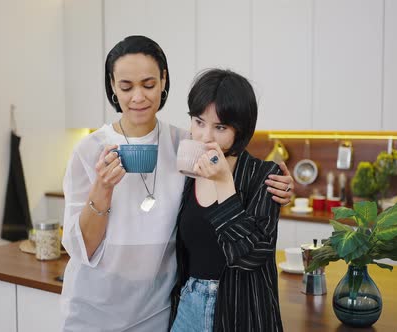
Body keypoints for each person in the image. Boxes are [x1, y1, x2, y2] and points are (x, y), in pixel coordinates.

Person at [60, 36, 292, 332]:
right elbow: (82, 249)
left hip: (157, 312)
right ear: (112, 86)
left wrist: (276, 182)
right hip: (95, 309)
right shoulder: (89, 150)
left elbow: (229, 151)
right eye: (126, 86)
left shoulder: (184, 144)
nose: (138, 97)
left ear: (163, 80)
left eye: (148, 84)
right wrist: (102, 189)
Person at [169, 69, 283, 332]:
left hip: (242, 313)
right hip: (189, 306)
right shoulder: (188, 173)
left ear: (240, 131)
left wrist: (224, 184)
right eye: (199, 122)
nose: (206, 136)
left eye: (220, 127)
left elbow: (250, 257)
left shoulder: (265, 176)